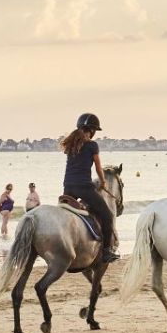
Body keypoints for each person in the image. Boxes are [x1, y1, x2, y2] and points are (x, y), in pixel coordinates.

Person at [61, 112, 118, 263]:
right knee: (107, 215)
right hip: (83, 187)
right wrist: (103, 182)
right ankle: (106, 251)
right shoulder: (92, 145)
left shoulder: (71, 144)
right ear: (91, 130)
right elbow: (99, 168)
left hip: (67, 187)